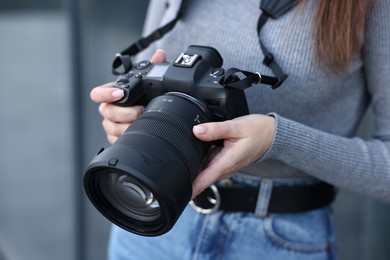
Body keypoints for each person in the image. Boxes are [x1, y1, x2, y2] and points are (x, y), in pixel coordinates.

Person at [89, 0, 390, 259]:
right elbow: (147, 65)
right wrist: (124, 113)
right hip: (145, 213)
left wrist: (277, 139)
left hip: (277, 239)